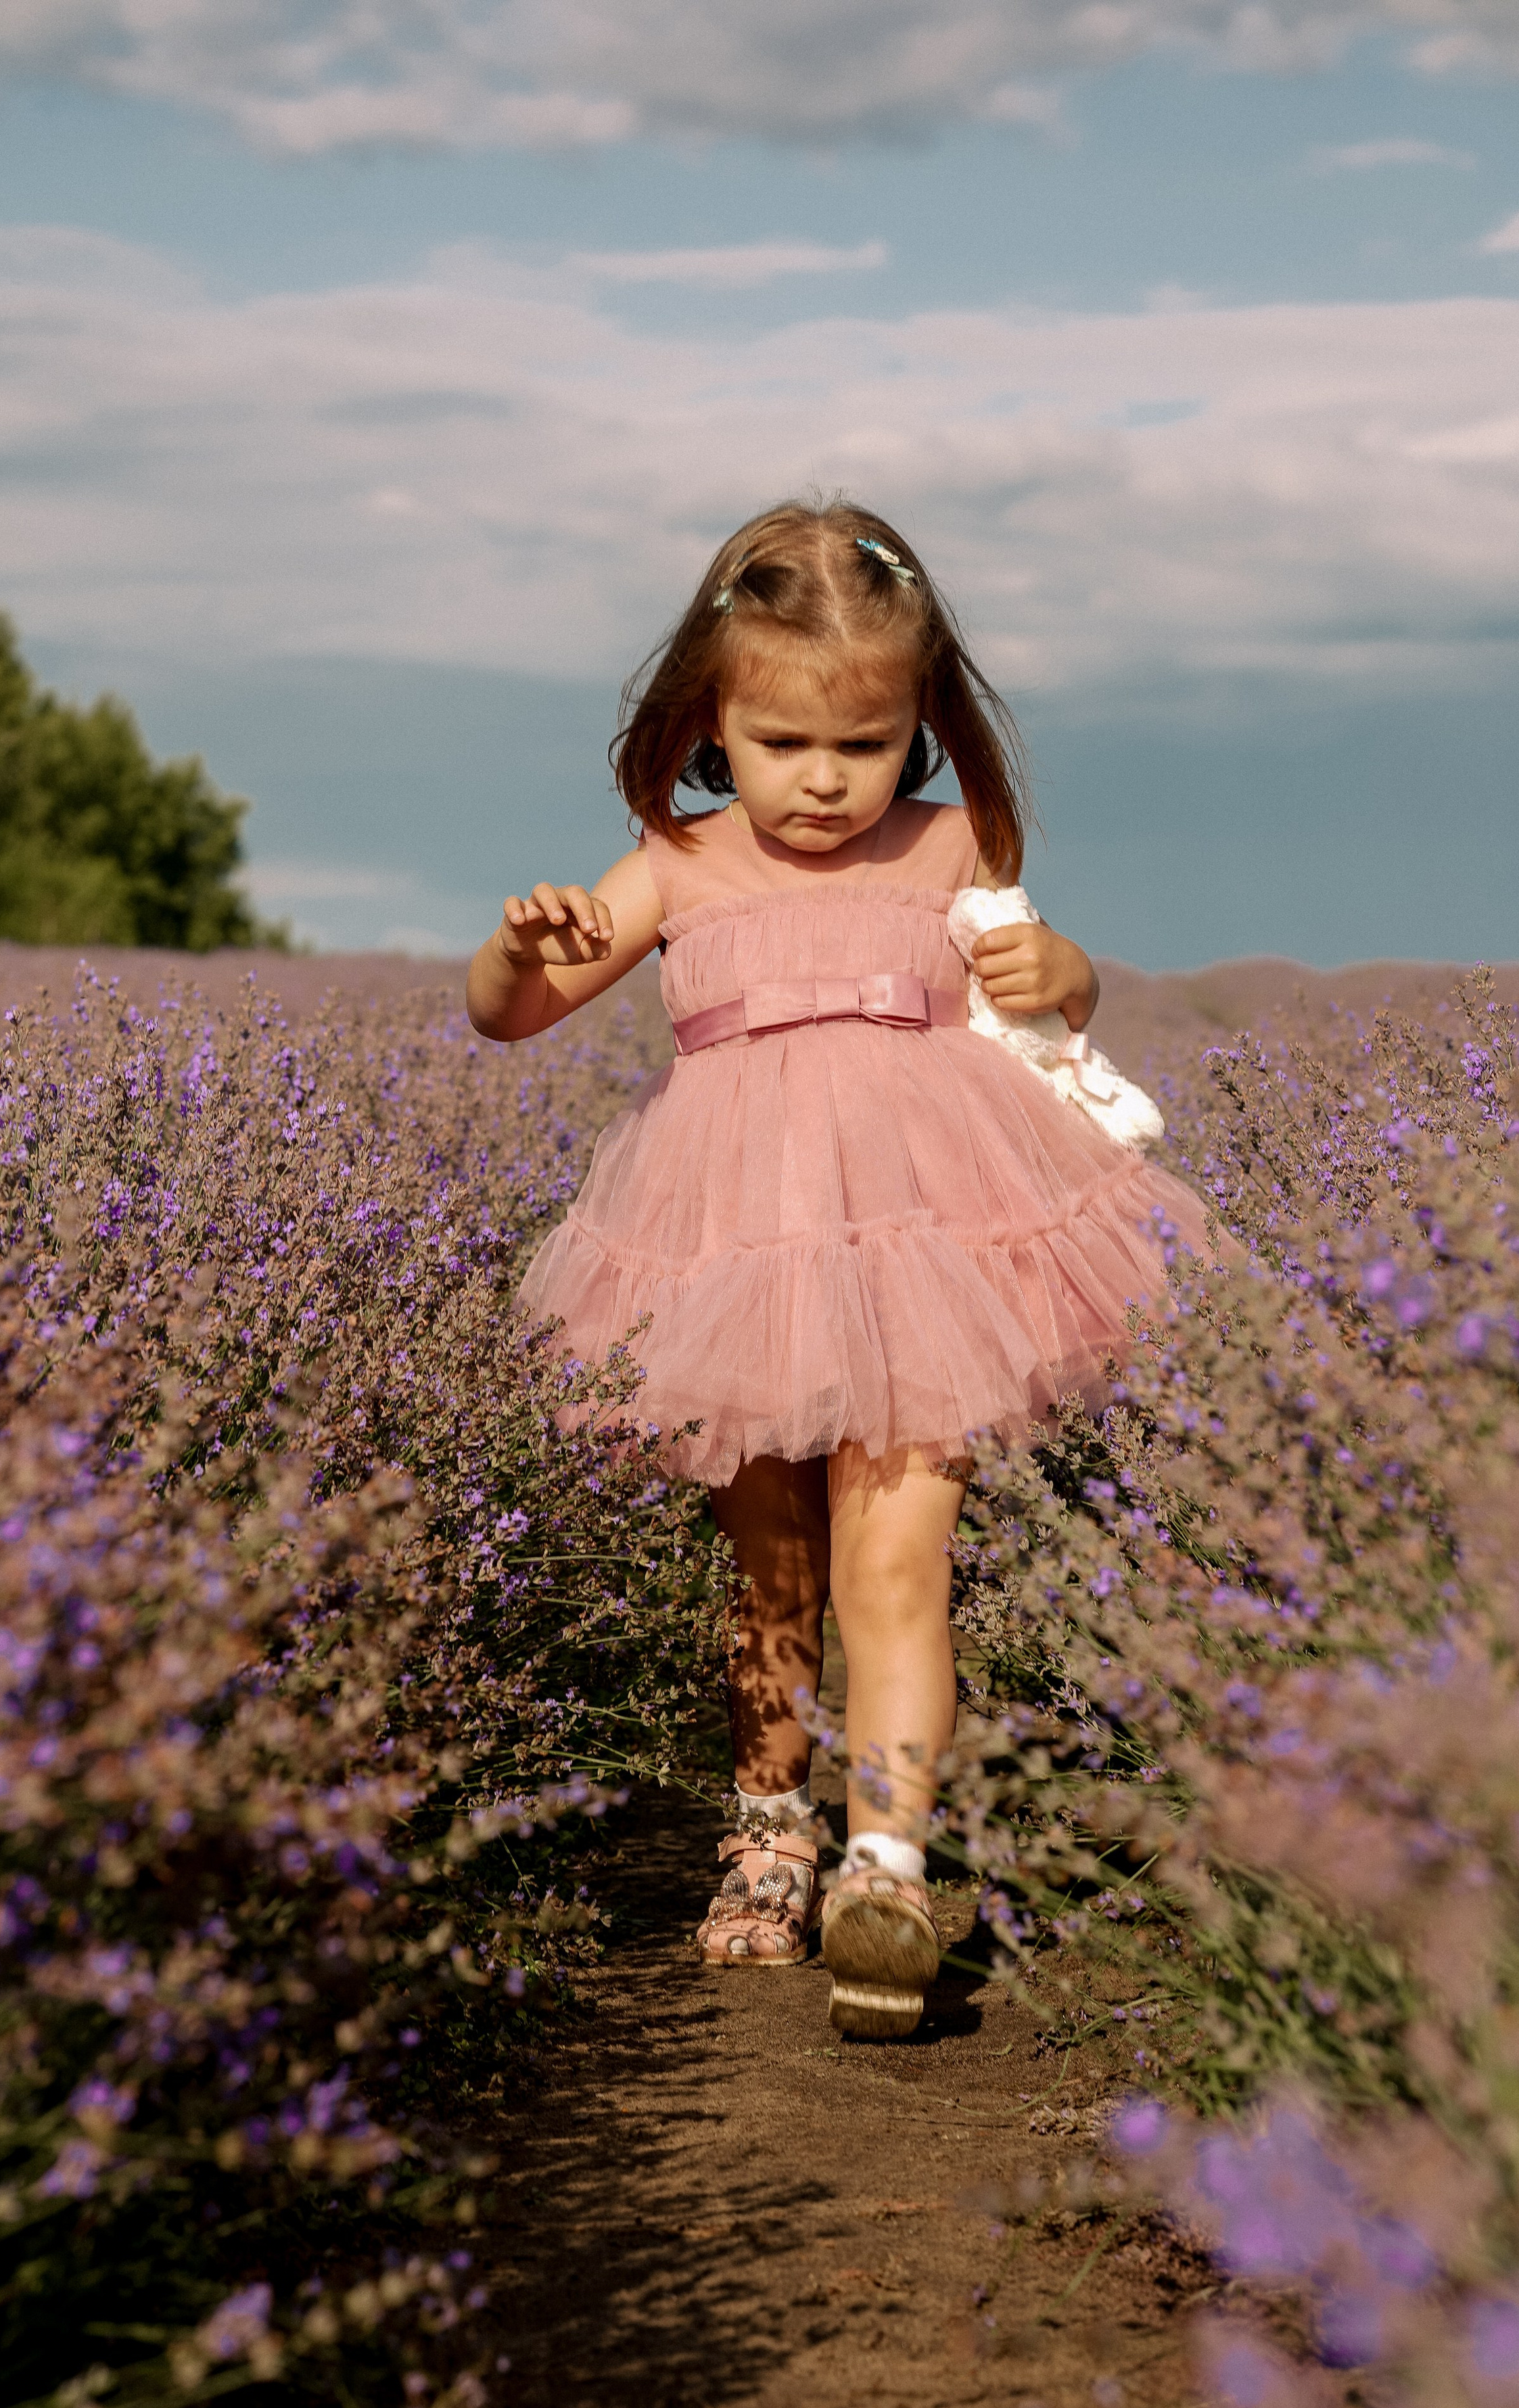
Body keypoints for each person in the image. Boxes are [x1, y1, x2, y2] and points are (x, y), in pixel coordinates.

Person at [465, 499, 1205, 2039]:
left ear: (917, 728)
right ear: (708, 723)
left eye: (860, 746)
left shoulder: (952, 846)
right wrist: (517, 943)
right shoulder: (677, 866)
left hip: (929, 1250)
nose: (819, 781)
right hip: (734, 1257)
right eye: (781, 741)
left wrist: (1063, 970)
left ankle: (883, 1861)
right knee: (773, 1568)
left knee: (896, 1558)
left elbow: (1051, 990)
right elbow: (513, 1012)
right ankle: (765, 1824)